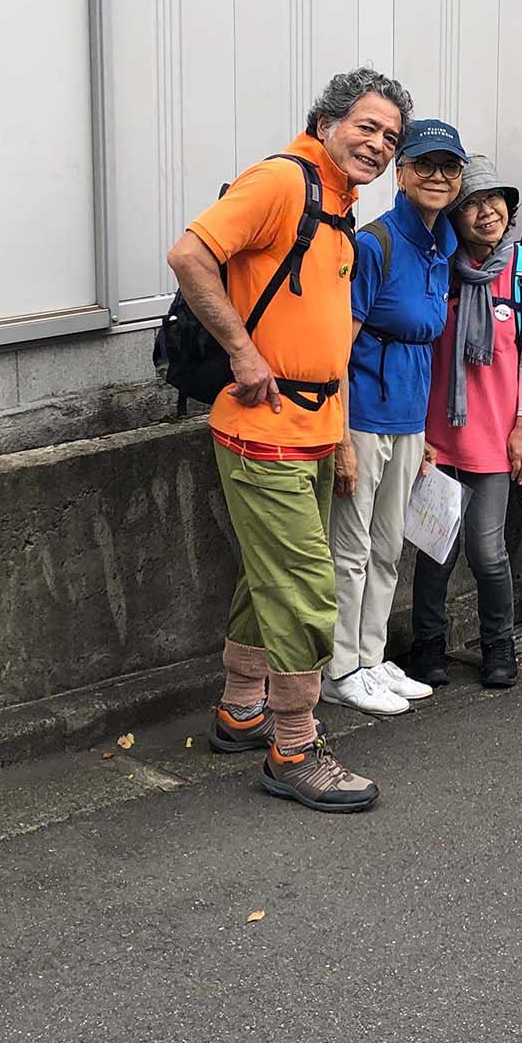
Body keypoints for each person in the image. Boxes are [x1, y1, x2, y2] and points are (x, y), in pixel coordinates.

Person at [164, 66, 411, 814]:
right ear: (327, 122)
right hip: (263, 428)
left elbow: (326, 336)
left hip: (313, 427)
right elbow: (189, 254)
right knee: (305, 586)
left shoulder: (337, 203)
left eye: (390, 136)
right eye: (367, 126)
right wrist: (242, 352)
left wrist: (340, 438)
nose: (379, 144)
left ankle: (242, 708)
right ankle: (295, 748)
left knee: (265, 575)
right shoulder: (282, 181)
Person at [325, 118, 467, 716]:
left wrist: (425, 432)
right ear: (401, 173)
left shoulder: (444, 246)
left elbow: (424, 345)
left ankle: (372, 656)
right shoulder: (375, 244)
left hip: (408, 421)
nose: (437, 176)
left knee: (387, 548)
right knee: (351, 549)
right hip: (362, 418)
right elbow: (339, 347)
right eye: (424, 164)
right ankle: (339, 669)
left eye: (449, 167)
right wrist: (340, 440)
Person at [405, 156, 522, 690]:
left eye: (493, 199)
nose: (486, 211)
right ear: (453, 216)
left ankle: (499, 646)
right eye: (470, 203)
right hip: (435, 439)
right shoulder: (437, 268)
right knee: (435, 552)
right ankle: (428, 648)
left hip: (496, 437)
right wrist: (415, 433)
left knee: (488, 552)